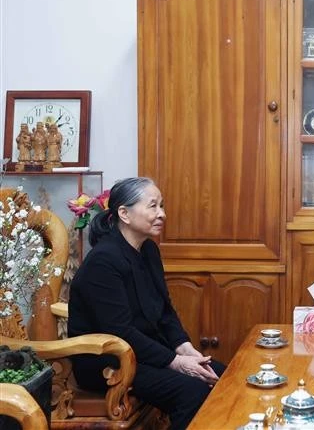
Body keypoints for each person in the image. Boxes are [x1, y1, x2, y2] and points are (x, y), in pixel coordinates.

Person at [68, 177, 225, 430]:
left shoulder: (149, 250)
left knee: (222, 374)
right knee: (193, 391)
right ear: (124, 214)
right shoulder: (103, 262)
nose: (161, 214)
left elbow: (164, 311)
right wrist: (176, 362)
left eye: (161, 206)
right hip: (109, 360)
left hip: (145, 352)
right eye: (153, 206)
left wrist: (185, 349)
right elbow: (120, 331)